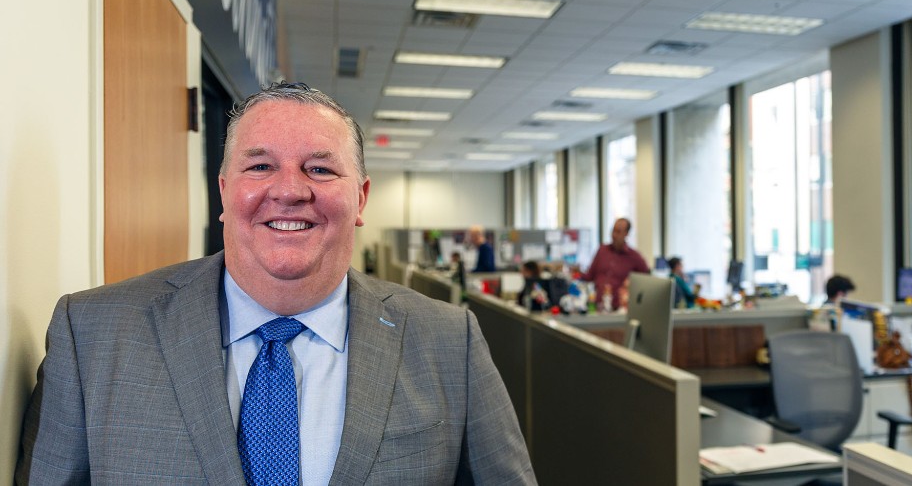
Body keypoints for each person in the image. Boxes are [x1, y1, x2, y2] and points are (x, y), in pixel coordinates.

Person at [17, 82, 535, 484]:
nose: (289, 190)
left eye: (319, 169)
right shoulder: (93, 334)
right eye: (260, 165)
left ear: (360, 199)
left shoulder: (449, 342)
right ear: (224, 192)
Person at [581, 218, 650, 305]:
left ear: (626, 234)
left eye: (618, 231)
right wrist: (576, 271)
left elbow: (647, 280)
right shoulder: (602, 250)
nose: (614, 235)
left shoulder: (634, 257)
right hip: (598, 306)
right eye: (613, 230)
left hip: (619, 308)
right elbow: (589, 276)